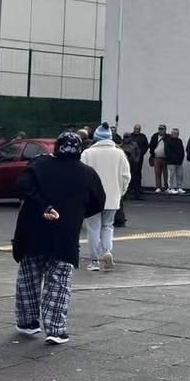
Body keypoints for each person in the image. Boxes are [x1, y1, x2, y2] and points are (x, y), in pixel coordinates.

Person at [13, 131, 105, 346]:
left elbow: (22, 187)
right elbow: (99, 202)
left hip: (33, 231)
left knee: (28, 279)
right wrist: (76, 212)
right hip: (65, 233)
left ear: (57, 147)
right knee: (59, 281)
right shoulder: (87, 173)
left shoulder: (39, 165)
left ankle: (27, 322)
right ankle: (55, 329)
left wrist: (43, 206)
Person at [80, 125, 130, 271]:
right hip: (113, 197)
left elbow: (81, 175)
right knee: (108, 226)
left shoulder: (87, 153)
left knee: (93, 228)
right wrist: (120, 192)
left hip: (92, 198)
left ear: (96, 137)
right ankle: (107, 251)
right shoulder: (120, 154)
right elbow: (126, 176)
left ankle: (94, 261)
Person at [123, 124, 148, 200]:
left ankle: (137, 194)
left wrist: (136, 160)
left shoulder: (134, 144)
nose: (126, 138)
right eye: (125, 137)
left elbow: (139, 152)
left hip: (134, 163)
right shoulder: (121, 144)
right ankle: (125, 194)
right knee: (125, 178)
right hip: (125, 164)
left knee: (136, 178)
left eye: (127, 137)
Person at [148, 123, 170, 194]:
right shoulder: (155, 136)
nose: (160, 130)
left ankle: (166, 187)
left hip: (165, 158)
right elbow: (151, 145)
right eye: (159, 129)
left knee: (166, 173)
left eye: (162, 129)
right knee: (157, 173)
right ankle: (158, 187)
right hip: (156, 157)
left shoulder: (168, 137)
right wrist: (152, 153)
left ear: (165, 130)